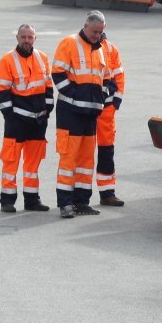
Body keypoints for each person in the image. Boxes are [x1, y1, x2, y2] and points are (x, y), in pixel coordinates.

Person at [52, 11, 108, 218]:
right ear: (85, 26)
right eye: (95, 31)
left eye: (101, 32)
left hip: (90, 113)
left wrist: (101, 96)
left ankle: (82, 202)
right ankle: (65, 204)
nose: (97, 35)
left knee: (86, 161)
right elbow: (57, 74)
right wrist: (76, 96)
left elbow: (105, 78)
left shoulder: (100, 48)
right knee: (69, 160)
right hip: (70, 113)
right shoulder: (69, 43)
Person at [0, 24, 53, 212]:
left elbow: (48, 87)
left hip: (38, 121)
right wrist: (10, 117)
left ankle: (32, 200)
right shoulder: (7, 60)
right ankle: (7, 200)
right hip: (16, 121)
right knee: (11, 161)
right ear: (17, 38)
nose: (26, 41)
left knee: (32, 163)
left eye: (30, 37)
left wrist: (48, 110)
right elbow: (2, 92)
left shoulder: (43, 58)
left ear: (35, 38)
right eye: (23, 37)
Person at [96, 32, 125, 206]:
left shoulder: (111, 49)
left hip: (106, 110)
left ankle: (107, 193)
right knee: (81, 153)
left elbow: (119, 76)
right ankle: (78, 196)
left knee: (106, 150)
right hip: (85, 108)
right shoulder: (77, 46)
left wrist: (115, 103)